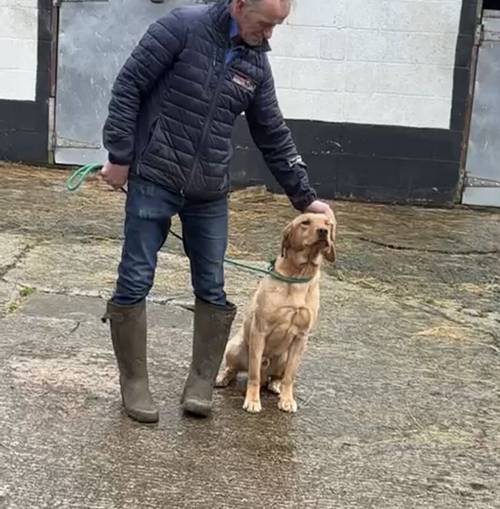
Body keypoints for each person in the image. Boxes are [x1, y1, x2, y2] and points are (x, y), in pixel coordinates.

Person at [99, 0, 334, 423]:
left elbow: (272, 132)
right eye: (265, 23)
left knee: (212, 285)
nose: (269, 35)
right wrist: (119, 155)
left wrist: (305, 198)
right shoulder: (180, 28)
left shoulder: (255, 63)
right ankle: (134, 384)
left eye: (277, 26)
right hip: (154, 175)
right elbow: (129, 85)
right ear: (239, 5)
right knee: (135, 277)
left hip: (209, 192)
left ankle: (202, 381)